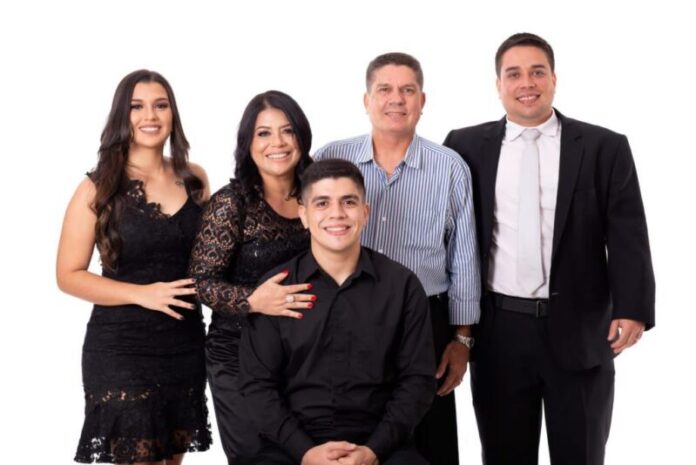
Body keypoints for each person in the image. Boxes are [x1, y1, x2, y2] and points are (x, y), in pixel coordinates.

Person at [443, 32, 656, 465]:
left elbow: (627, 232)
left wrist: (633, 307)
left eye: (537, 72)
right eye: (514, 74)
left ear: (554, 79)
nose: (527, 83)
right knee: (504, 455)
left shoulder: (603, 147)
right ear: (498, 84)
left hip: (580, 330)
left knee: (582, 454)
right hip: (499, 330)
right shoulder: (464, 146)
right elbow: (447, 232)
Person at [314, 52, 480, 464]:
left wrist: (461, 339)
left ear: (422, 100)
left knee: (428, 439)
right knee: (349, 439)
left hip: (424, 321)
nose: (396, 99)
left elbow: (463, 259)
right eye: (384, 89)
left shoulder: (449, 168)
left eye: (408, 90)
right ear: (366, 100)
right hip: (344, 315)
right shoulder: (331, 158)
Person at [56, 69, 212, 464]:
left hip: (184, 344)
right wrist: (143, 294)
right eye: (137, 107)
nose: (150, 116)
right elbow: (68, 275)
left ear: (173, 114)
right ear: (121, 116)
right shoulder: (98, 187)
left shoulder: (194, 178)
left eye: (161, 105)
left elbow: (212, 258)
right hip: (121, 347)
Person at [238, 159, 436, 465]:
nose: (337, 214)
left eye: (348, 202)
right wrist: (305, 452)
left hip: (381, 444)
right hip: (292, 447)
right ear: (304, 215)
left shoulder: (403, 286)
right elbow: (258, 385)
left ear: (365, 212)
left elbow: (417, 381)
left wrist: (373, 451)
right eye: (322, 203)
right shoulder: (275, 289)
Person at [188, 90, 314, 464]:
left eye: (287, 131)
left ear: (302, 137)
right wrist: (252, 301)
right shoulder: (232, 204)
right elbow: (200, 281)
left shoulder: (317, 195)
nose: (277, 142)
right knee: (258, 456)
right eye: (264, 133)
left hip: (303, 354)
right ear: (248, 143)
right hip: (237, 354)